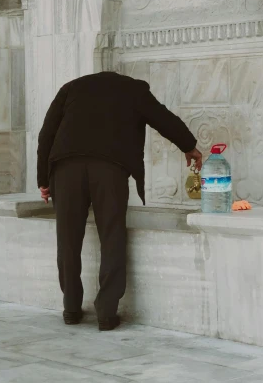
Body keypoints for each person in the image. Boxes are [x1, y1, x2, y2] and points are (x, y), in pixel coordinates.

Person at [37, 70, 202, 331]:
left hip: (66, 169)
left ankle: (70, 307)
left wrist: (43, 180)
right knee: (112, 235)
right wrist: (189, 146)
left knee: (67, 238)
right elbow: (163, 118)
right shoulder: (133, 89)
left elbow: (46, 134)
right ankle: (106, 312)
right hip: (109, 168)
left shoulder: (70, 88)